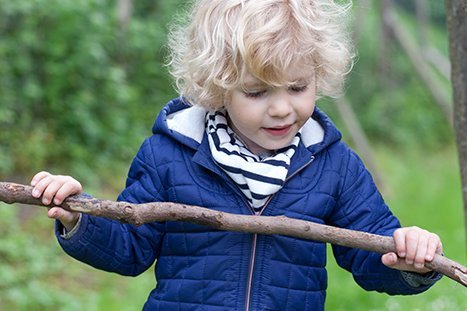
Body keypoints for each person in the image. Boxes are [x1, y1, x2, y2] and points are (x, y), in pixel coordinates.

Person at [30, 0, 443, 310]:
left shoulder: (333, 166)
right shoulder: (169, 155)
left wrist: (412, 258)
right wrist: (79, 217)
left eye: (298, 87)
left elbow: (372, 254)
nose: (282, 108)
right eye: (257, 92)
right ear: (218, 87)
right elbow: (130, 246)